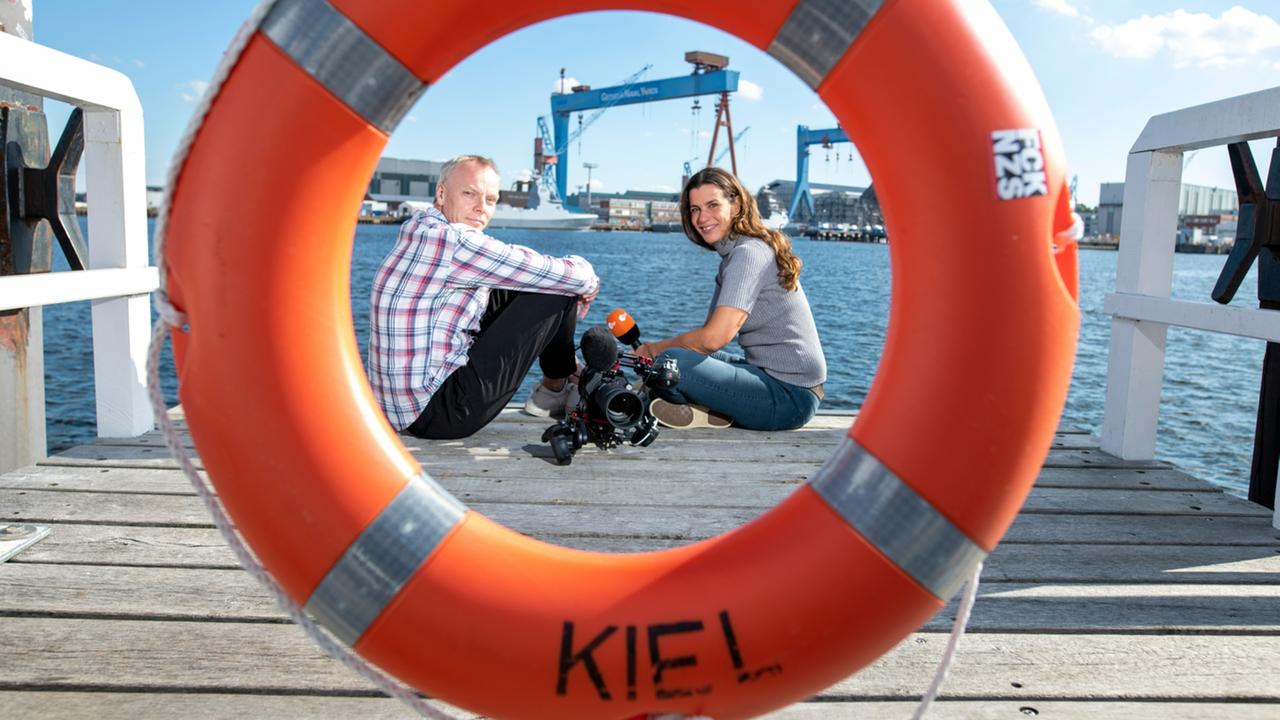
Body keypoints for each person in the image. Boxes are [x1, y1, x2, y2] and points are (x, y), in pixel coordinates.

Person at [367, 155, 599, 439]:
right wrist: (587, 281)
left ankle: (560, 382)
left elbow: (512, 260)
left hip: (394, 408)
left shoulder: (421, 228)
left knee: (524, 281)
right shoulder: (455, 241)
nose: (481, 208)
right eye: (469, 194)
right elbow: (567, 275)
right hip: (437, 413)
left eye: (490, 200)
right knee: (555, 292)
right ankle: (557, 386)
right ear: (442, 193)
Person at [634, 167, 826, 431]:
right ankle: (704, 410)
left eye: (712, 205)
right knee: (676, 359)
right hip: (770, 378)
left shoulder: (748, 254)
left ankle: (699, 408)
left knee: (671, 363)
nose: (702, 218)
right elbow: (707, 344)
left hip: (791, 398)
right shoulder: (734, 256)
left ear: (736, 205)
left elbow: (713, 338)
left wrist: (655, 350)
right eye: (695, 209)